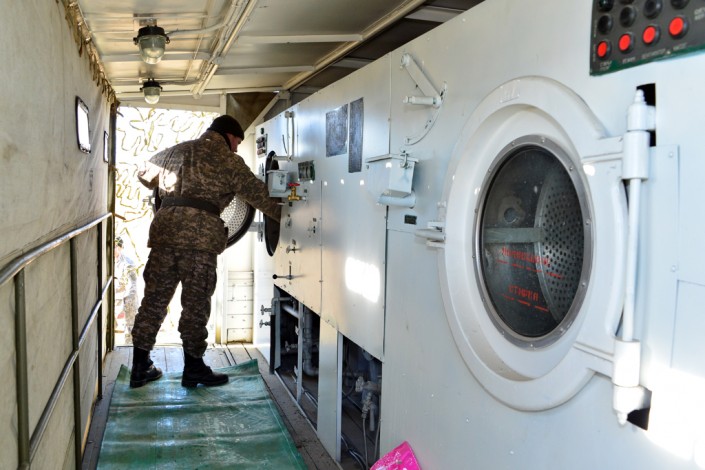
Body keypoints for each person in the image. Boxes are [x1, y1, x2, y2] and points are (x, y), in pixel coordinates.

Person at [129, 115, 281, 388]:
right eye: (237, 142)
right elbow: (261, 197)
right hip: (199, 240)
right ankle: (194, 368)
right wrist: (291, 216)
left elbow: (142, 172)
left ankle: (139, 367)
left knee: (153, 300)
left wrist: (167, 187)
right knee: (196, 304)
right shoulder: (230, 161)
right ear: (229, 136)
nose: (236, 148)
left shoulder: (175, 151)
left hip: (164, 234)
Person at [114, 236, 138, 345]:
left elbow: (132, 284)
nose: (113, 249)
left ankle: (128, 345)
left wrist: (127, 299)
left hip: (126, 297)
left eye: (115, 246)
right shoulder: (105, 261)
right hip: (112, 298)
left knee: (130, 325)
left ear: (120, 248)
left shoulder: (128, 263)